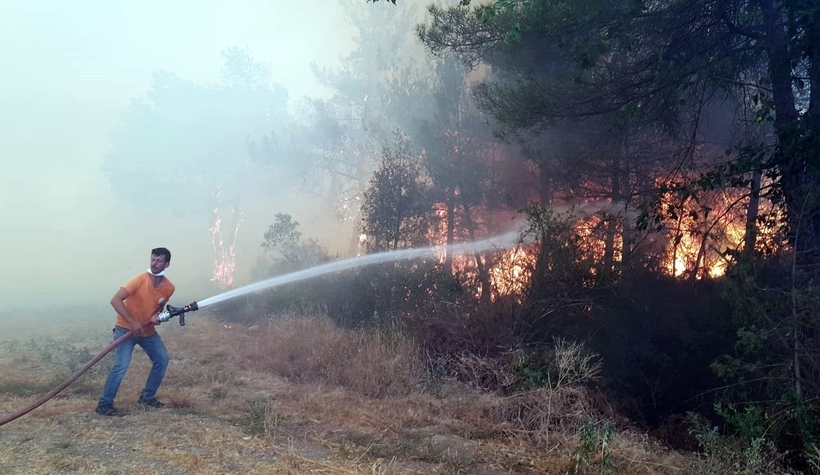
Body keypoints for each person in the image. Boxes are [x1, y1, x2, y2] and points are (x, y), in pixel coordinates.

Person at [95, 247, 176, 417]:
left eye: (159, 260)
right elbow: (115, 300)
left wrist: (157, 317)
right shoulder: (139, 279)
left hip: (147, 332)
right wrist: (132, 322)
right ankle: (104, 404)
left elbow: (157, 309)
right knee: (121, 365)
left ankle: (147, 397)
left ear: (167, 264)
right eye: (153, 259)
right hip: (125, 329)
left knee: (162, 360)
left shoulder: (169, 288)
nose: (154, 263)